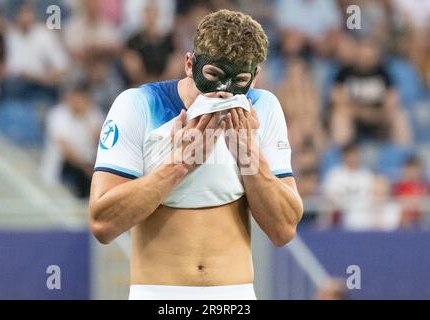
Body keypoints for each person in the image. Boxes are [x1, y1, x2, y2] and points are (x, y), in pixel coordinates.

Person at [89, 9, 303, 300]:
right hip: (158, 295)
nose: (222, 92)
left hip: (234, 298)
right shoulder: (138, 105)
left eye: (238, 80)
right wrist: (178, 165)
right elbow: (102, 224)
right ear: (189, 63)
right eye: (213, 74)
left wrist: (249, 154)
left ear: (254, 78)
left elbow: (284, 229)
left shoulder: (263, 108)